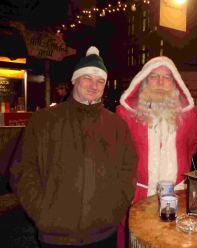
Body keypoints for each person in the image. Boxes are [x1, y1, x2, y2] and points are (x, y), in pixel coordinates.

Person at [10, 46, 137, 248]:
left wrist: (115, 208)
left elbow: (128, 169)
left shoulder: (117, 126)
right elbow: (23, 170)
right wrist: (42, 212)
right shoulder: (44, 120)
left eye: (100, 81)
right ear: (74, 80)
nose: (94, 85)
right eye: (87, 78)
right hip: (55, 235)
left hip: (103, 234)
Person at [116, 56, 197, 247]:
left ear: (175, 83)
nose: (161, 82)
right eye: (154, 76)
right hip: (138, 195)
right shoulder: (125, 114)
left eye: (167, 77)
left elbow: (193, 145)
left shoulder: (188, 116)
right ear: (144, 80)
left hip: (178, 195)